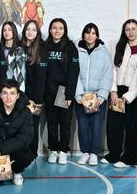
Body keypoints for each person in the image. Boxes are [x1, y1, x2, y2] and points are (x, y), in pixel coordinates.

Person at [105, 19, 137, 168]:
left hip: (133, 94)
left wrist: (129, 96)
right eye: (127, 29)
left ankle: (129, 158)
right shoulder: (120, 46)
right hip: (117, 91)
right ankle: (113, 154)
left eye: (133, 29)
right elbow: (113, 69)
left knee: (133, 128)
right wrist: (113, 90)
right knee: (114, 125)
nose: (130, 32)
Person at [0, 80, 36, 186]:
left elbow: (26, 137)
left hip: (13, 150)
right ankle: (5, 171)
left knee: (26, 156)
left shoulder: (25, 112)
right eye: (5, 93)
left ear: (17, 96)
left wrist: (2, 149)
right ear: (0, 95)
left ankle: (16, 171)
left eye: (12, 93)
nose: (8, 97)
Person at [74, 23, 112, 166]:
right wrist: (78, 95)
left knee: (96, 127)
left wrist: (102, 96)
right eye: (87, 32)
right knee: (83, 126)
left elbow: (107, 75)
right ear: (83, 34)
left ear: (97, 36)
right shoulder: (77, 51)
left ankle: (94, 154)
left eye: (93, 33)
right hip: (82, 97)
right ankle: (85, 152)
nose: (90, 36)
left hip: (97, 97)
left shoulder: (104, 53)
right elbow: (74, 74)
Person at [43, 18, 79, 165]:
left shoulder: (70, 47)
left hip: (63, 92)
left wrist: (69, 94)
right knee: (51, 123)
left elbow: (73, 72)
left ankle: (63, 151)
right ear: (50, 30)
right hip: (48, 92)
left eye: (60, 28)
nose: (57, 31)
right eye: (54, 28)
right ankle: (53, 150)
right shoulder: (45, 46)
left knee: (64, 124)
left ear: (65, 30)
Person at [21, 20, 47, 155]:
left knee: (33, 126)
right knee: (20, 126)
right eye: (28, 29)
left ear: (38, 32)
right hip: (20, 96)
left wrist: (37, 99)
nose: (30, 32)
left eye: (33, 29)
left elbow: (41, 77)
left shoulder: (42, 49)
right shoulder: (19, 47)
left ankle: (33, 154)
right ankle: (22, 154)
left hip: (35, 97)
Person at [0, 21, 26, 92]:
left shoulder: (19, 51)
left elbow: (21, 74)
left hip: (13, 89)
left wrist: (20, 93)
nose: (7, 32)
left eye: (9, 30)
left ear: (14, 31)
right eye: (4, 30)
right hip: (0, 88)